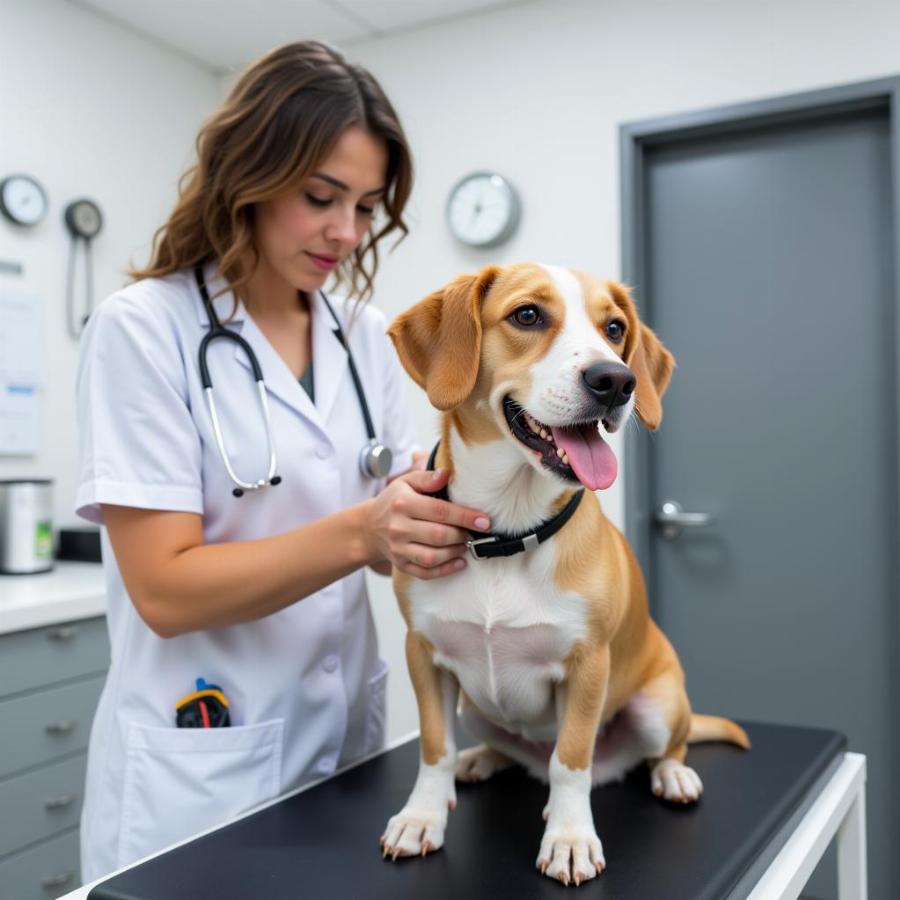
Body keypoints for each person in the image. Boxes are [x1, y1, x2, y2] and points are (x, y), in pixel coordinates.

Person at [75, 40, 492, 883]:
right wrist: (364, 533)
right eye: (320, 197)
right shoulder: (143, 329)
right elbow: (162, 589)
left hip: (345, 751)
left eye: (367, 207)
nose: (346, 231)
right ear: (248, 177)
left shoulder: (365, 338)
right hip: (201, 767)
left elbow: (398, 509)